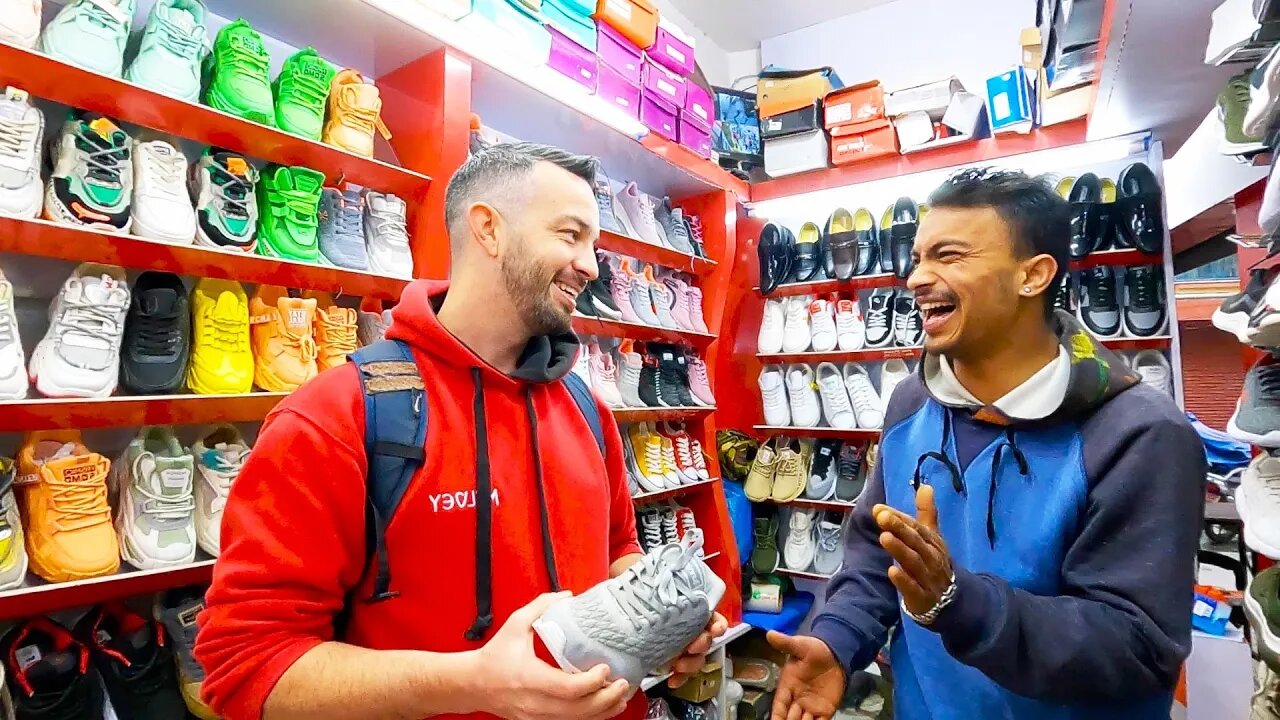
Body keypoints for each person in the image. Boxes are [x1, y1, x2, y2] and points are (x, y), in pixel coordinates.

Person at [195, 142, 725, 720]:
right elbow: (245, 666)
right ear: (489, 229)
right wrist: (473, 684)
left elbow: (616, 549)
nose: (591, 266)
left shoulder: (586, 407)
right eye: (570, 235)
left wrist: (656, 615)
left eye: (593, 244)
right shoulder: (335, 416)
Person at [769, 168, 1204, 720]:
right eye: (919, 257)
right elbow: (875, 557)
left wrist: (961, 603)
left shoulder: (1140, 434)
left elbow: (1139, 647)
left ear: (1034, 275)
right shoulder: (910, 403)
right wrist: (838, 640)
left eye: (949, 257)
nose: (916, 278)